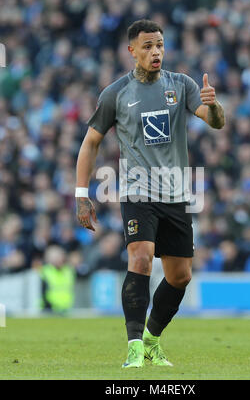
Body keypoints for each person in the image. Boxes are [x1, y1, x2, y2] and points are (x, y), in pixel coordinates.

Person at [75, 19, 225, 368]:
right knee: (140, 258)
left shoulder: (181, 85)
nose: (155, 51)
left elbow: (215, 121)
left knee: (180, 276)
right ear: (132, 51)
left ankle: (151, 341)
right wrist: (82, 194)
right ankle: (132, 349)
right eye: (147, 46)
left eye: (159, 44)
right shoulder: (116, 94)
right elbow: (90, 143)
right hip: (137, 191)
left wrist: (214, 105)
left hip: (176, 193)